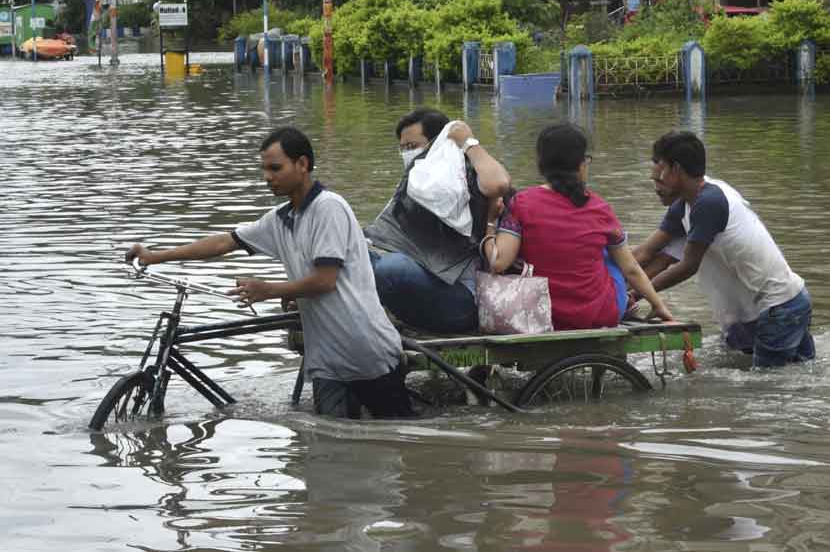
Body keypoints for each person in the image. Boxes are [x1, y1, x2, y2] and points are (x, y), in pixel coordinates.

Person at [125, 127, 414, 419]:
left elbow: (326, 280)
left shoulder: (328, 208)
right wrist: (155, 256)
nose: (267, 177)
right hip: (327, 360)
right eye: (264, 169)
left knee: (398, 432)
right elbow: (224, 242)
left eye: (275, 168)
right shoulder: (280, 219)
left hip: (364, 350)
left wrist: (268, 290)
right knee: (333, 442)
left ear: (302, 164)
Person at [632, 131, 814, 367]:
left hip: (777, 308)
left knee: (766, 385)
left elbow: (688, 266)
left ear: (675, 169)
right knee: (798, 376)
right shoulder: (685, 203)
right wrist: (614, 285)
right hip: (764, 309)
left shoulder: (709, 203)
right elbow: (647, 253)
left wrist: (638, 294)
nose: (656, 184)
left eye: (659, 176)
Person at [483, 123, 673, 330]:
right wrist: (658, 305)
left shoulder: (521, 203)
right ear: (581, 165)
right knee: (609, 251)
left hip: (544, 316)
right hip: (600, 315)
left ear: (541, 163)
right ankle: (626, 302)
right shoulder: (600, 208)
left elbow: (498, 263)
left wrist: (490, 221)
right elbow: (631, 269)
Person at [366, 108, 511, 334]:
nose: (407, 154)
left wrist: (467, 142)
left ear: (440, 142)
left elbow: (499, 184)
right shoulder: (418, 184)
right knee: (350, 254)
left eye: (412, 146)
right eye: (403, 148)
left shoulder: (467, 177)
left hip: (461, 299)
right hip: (422, 282)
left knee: (390, 269)